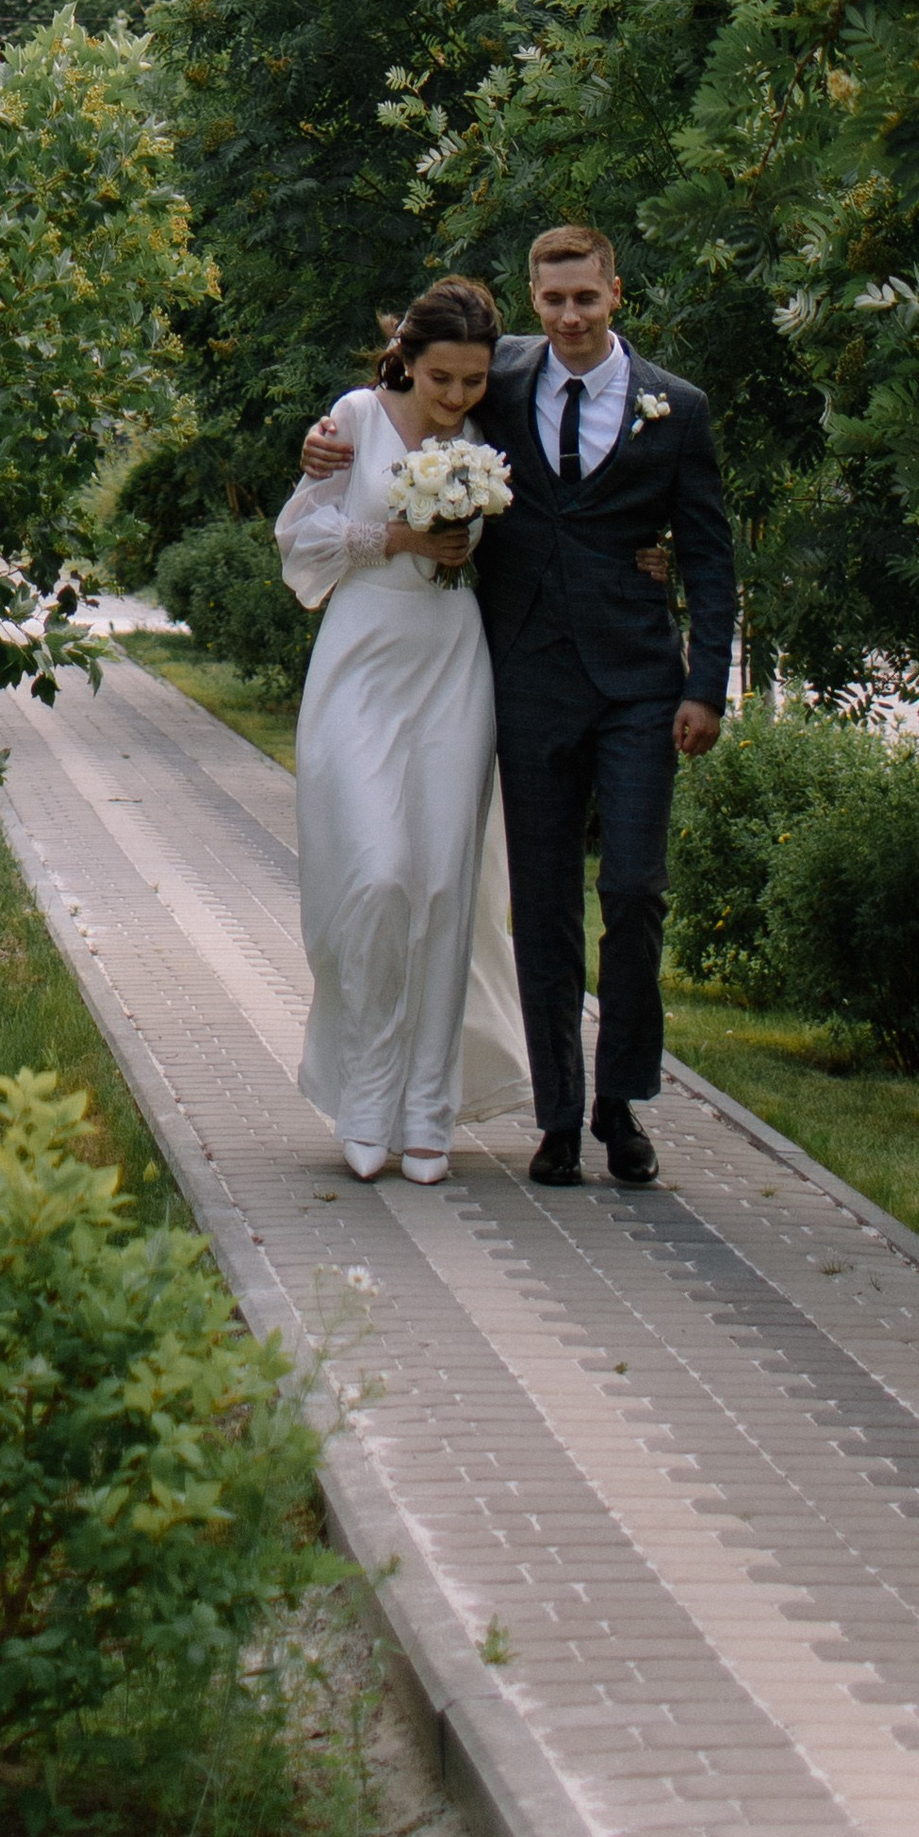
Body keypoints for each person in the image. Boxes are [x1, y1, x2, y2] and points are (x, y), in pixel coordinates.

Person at [302, 225, 736, 1191]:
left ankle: (621, 1103)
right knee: (538, 902)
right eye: (553, 299)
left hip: (636, 680)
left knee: (633, 888)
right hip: (525, 674)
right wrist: (323, 440)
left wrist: (706, 683)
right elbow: (409, 379)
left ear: (615, 292)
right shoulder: (493, 377)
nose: (570, 315)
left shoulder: (677, 408)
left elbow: (709, 552)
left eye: (586, 296)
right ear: (534, 301)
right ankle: (558, 1117)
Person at [273, 276, 529, 1185]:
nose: (456, 397)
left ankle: (430, 1106)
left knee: (445, 885)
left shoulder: (491, 433)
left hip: (454, 662)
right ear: (405, 360)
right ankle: (365, 1092)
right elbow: (299, 542)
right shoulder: (353, 419)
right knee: (378, 875)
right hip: (363, 658)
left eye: (472, 381)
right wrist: (398, 540)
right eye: (440, 378)